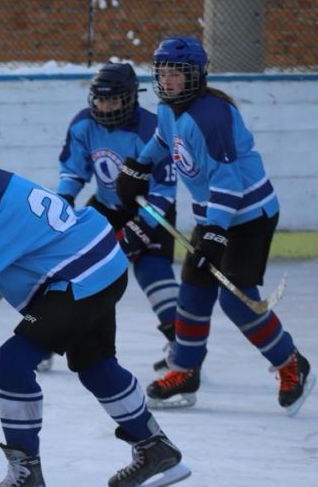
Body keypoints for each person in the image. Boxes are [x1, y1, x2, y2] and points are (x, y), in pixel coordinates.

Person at [0, 130, 190, 487]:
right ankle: (157, 449)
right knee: (95, 365)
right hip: (100, 265)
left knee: (10, 364)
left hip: (78, 278)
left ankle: (26, 474)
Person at [116, 36, 313, 415]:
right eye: (163, 72)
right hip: (215, 217)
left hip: (249, 217)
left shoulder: (211, 117)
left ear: (196, 74)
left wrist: (215, 233)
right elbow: (162, 139)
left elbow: (229, 182)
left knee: (237, 300)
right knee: (193, 292)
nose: (168, 80)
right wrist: (139, 166)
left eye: (177, 73)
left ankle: (291, 363)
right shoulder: (170, 108)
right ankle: (185, 371)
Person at [52, 62, 180, 372]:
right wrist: (63, 201)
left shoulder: (152, 130)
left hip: (149, 208)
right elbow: (73, 171)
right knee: (71, 268)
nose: (105, 107)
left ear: (131, 98)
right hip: (106, 208)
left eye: (113, 100)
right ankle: (50, 335)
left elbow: (164, 190)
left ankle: (183, 346)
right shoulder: (83, 124)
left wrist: (142, 225)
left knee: (153, 271)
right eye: (100, 100)